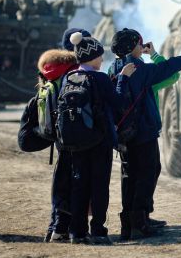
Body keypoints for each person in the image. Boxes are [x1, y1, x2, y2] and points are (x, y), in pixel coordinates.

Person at [108, 28, 181, 240]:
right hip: (143, 133)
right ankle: (140, 223)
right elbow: (170, 68)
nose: (142, 46)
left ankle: (129, 223)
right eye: (139, 43)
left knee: (129, 176)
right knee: (148, 173)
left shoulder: (113, 67)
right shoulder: (139, 68)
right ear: (132, 47)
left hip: (123, 134)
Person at [61, 31, 135, 244]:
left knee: (79, 186)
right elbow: (119, 103)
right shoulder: (100, 78)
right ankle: (98, 230)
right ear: (91, 56)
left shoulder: (70, 77)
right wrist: (122, 79)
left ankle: (77, 231)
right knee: (99, 187)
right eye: (100, 56)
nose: (103, 59)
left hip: (75, 142)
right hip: (99, 141)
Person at [45, 28, 91, 243]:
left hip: (59, 136)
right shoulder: (78, 71)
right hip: (78, 137)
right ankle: (72, 228)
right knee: (78, 184)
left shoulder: (51, 70)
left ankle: (55, 227)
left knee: (60, 183)